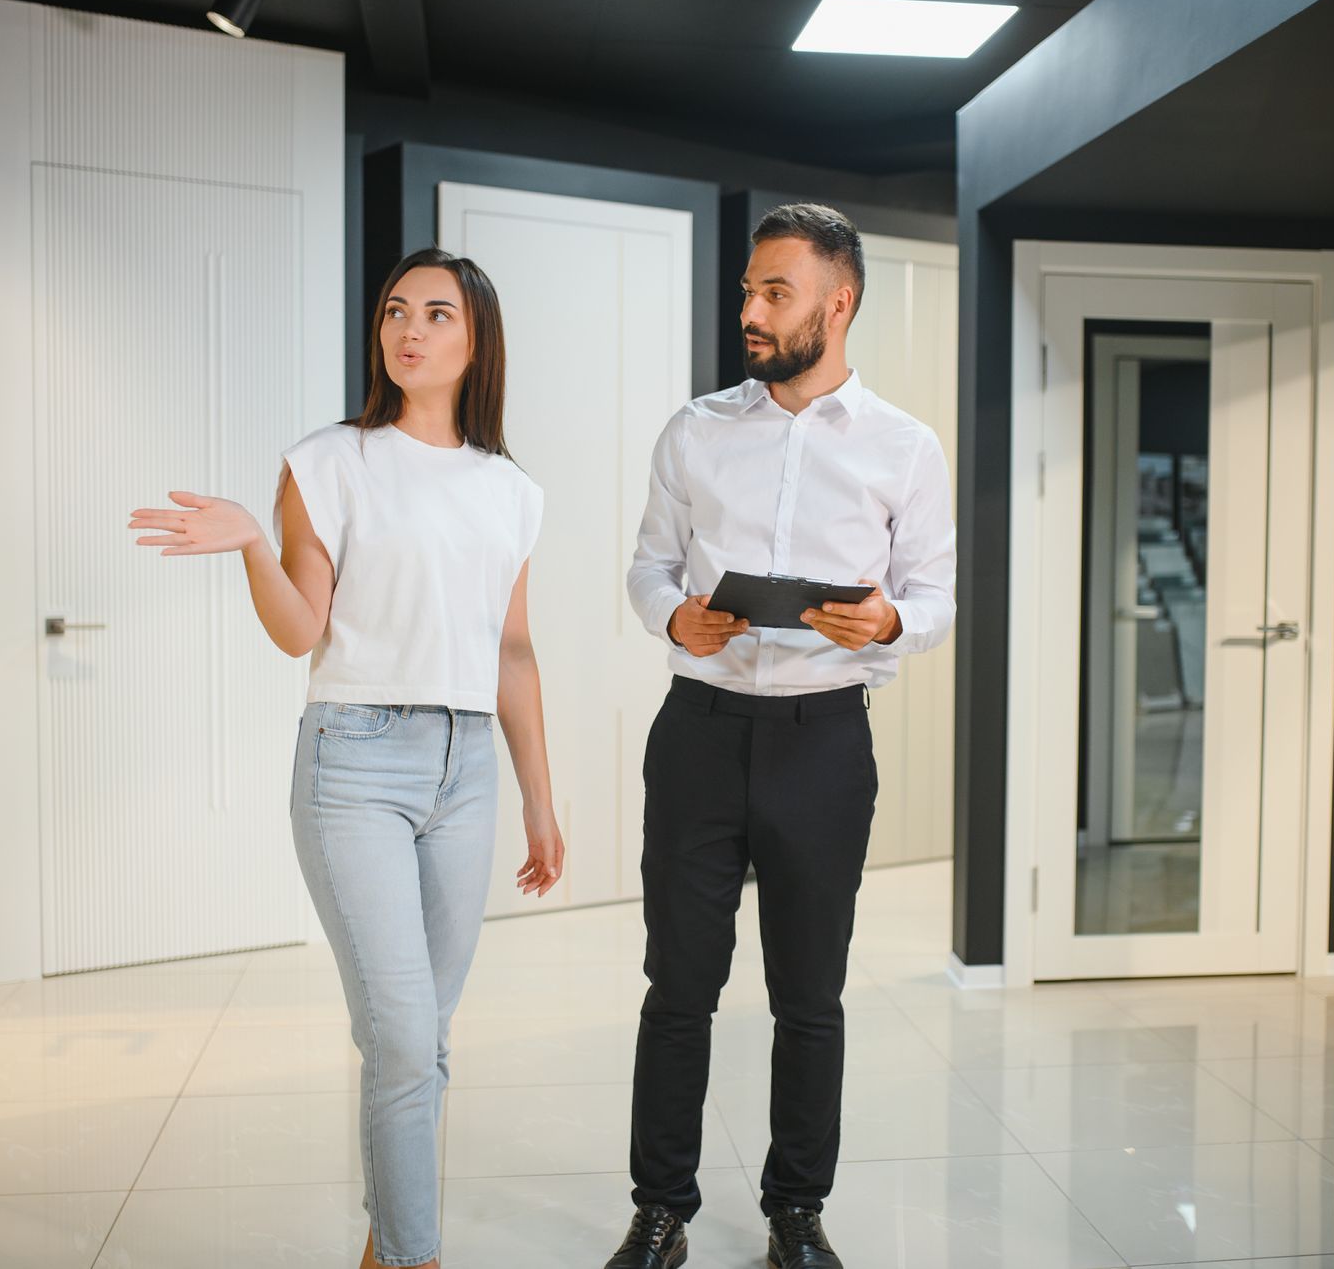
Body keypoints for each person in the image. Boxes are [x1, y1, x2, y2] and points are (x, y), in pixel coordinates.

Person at [129, 249, 565, 1269]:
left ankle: (385, 1241)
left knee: (420, 1037)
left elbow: (513, 651)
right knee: (407, 1035)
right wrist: (251, 545)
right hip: (356, 762)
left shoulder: (513, 491)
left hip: (466, 771)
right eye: (395, 310)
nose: (410, 328)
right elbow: (299, 630)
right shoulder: (327, 461)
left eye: (437, 312)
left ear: (476, 339)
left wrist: (542, 801)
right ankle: (416, 1256)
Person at [605, 204, 957, 1269]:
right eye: (749, 290)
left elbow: (933, 592)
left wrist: (890, 619)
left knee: (809, 996)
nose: (750, 312)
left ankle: (795, 1211)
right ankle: (659, 1208)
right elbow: (648, 563)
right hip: (700, 732)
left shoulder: (904, 445)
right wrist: (675, 615)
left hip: (823, 741)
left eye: (775, 293)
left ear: (836, 303)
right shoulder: (696, 427)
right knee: (680, 986)